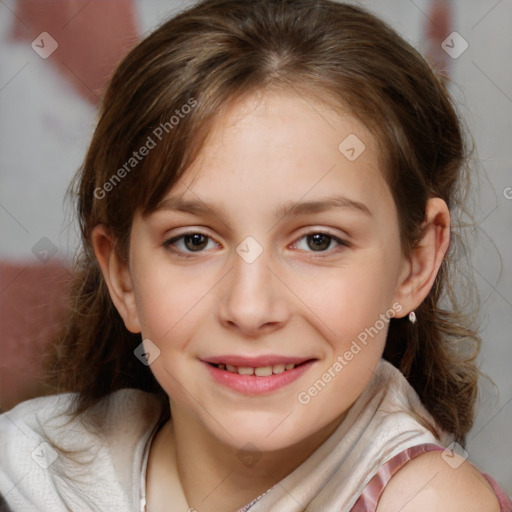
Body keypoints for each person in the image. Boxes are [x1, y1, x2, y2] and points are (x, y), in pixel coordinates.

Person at [0, 1, 510, 511]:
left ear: (414, 263)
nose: (249, 308)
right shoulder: (28, 466)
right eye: (193, 241)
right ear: (123, 276)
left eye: (318, 241)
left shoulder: (427, 502)